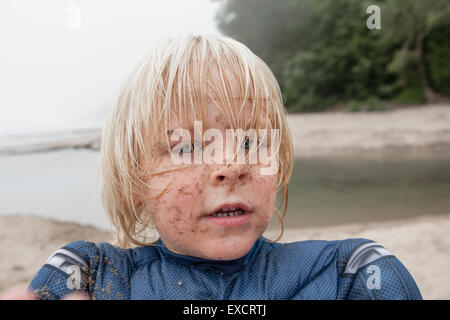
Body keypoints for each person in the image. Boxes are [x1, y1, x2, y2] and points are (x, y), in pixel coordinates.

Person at [2, 34, 422, 300]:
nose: (231, 166)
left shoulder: (354, 273)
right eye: (185, 147)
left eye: (249, 142)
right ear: (135, 183)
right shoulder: (92, 278)